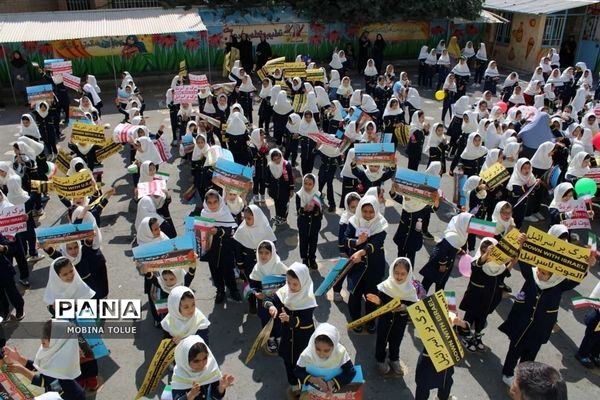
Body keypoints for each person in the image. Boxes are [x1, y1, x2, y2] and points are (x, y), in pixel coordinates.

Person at [500, 224, 595, 387]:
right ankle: (508, 373)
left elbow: (576, 278)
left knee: (530, 355)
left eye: (544, 273)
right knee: (514, 348)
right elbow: (524, 262)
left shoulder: (560, 283)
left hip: (540, 328)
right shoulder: (532, 274)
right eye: (539, 271)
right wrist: (522, 244)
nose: (540, 275)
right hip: (521, 323)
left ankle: (522, 378)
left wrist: (586, 265)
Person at [265, 262, 317, 398]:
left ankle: (306, 384)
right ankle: (294, 385)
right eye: (288, 282)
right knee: (288, 361)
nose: (291, 287)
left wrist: (290, 320)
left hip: (303, 338)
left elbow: (307, 322)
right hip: (287, 336)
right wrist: (271, 306)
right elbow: (270, 297)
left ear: (304, 282)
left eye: (295, 284)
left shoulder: (308, 298)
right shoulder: (285, 291)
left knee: (304, 363)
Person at [2, 320, 85, 399]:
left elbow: (42, 382)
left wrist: (22, 370)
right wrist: (18, 358)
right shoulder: (53, 350)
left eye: (45, 337)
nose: (41, 339)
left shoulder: (60, 363)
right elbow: (38, 367)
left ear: (57, 341)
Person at [367, 257, 418, 375]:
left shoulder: (410, 290)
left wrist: (405, 308)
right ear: (391, 271)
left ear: (408, 274)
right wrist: (378, 301)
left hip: (400, 321)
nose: (399, 277)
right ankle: (380, 360)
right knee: (382, 339)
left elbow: (414, 307)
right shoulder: (385, 286)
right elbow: (381, 304)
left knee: (396, 339)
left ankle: (394, 359)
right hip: (385, 319)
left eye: (403, 274)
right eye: (396, 273)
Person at [345, 195, 388, 334]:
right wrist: (356, 242)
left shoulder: (380, 224)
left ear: (376, 211)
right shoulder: (353, 221)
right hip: (356, 268)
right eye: (365, 211)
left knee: (371, 296)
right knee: (355, 294)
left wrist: (361, 252)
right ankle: (356, 320)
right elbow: (345, 238)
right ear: (359, 210)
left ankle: (370, 320)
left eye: (371, 211)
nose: (368, 215)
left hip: (374, 268)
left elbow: (376, 243)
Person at [201, 190, 242, 303]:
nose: (213, 205)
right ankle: (220, 291)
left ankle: (233, 290)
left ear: (219, 201)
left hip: (225, 248)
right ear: (206, 203)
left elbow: (232, 230)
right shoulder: (204, 214)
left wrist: (218, 231)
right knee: (215, 272)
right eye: (209, 202)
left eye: (215, 202)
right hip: (211, 249)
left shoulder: (225, 211)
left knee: (228, 271)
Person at [249, 240, 288, 353]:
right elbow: (253, 285)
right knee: (266, 321)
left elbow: (288, 283)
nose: (263, 255)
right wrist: (256, 293)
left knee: (279, 321)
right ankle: (270, 339)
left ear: (273, 253)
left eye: (266, 253)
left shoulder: (280, 267)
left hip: (279, 302)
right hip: (264, 303)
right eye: (260, 252)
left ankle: (279, 338)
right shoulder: (257, 269)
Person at [295, 323, 356, 394]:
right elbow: (298, 371)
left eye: (326, 351)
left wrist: (332, 382)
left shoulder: (340, 353)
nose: (321, 354)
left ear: (334, 346)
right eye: (317, 349)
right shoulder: (306, 354)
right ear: (313, 343)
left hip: (334, 390)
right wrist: (314, 380)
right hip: (313, 390)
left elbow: (351, 372)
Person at [419, 212, 472, 292]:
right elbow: (442, 249)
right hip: (438, 262)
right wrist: (442, 264)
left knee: (440, 286)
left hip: (447, 263)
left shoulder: (460, 232)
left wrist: (460, 251)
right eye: (470, 224)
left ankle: (437, 303)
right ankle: (418, 302)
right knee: (426, 284)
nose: (472, 227)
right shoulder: (453, 236)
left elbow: (452, 246)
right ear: (463, 222)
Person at [170, 335, 234, 400]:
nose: (201, 364)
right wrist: (190, 395)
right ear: (185, 360)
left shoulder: (211, 370)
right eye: (196, 361)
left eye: (205, 358)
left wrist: (221, 388)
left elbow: (214, 397)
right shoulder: (179, 378)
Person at [296, 174, 323, 270]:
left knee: (313, 241)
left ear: (314, 185)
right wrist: (304, 209)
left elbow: (320, 211)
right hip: (303, 222)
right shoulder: (299, 194)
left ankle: (312, 258)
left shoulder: (318, 195)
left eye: (310, 184)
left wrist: (314, 210)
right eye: (305, 183)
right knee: (303, 240)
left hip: (314, 223)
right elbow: (298, 210)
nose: (307, 186)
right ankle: (304, 258)